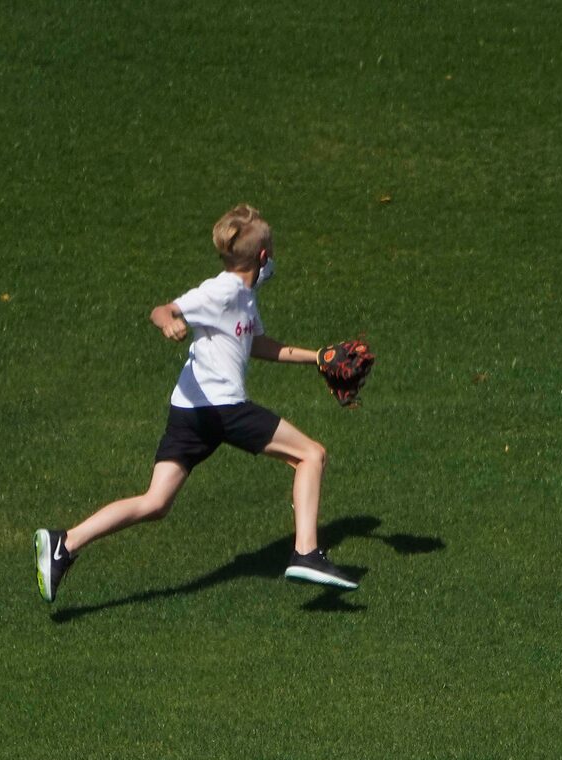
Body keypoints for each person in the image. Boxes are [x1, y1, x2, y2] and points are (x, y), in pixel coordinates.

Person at [35, 203, 359, 603]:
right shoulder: (220, 290)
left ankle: (64, 542)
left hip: (189, 411)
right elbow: (163, 309)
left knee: (156, 503)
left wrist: (318, 356)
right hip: (222, 409)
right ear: (262, 255)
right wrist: (169, 320)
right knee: (311, 455)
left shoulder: (248, 287)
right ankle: (306, 553)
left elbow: (253, 342)